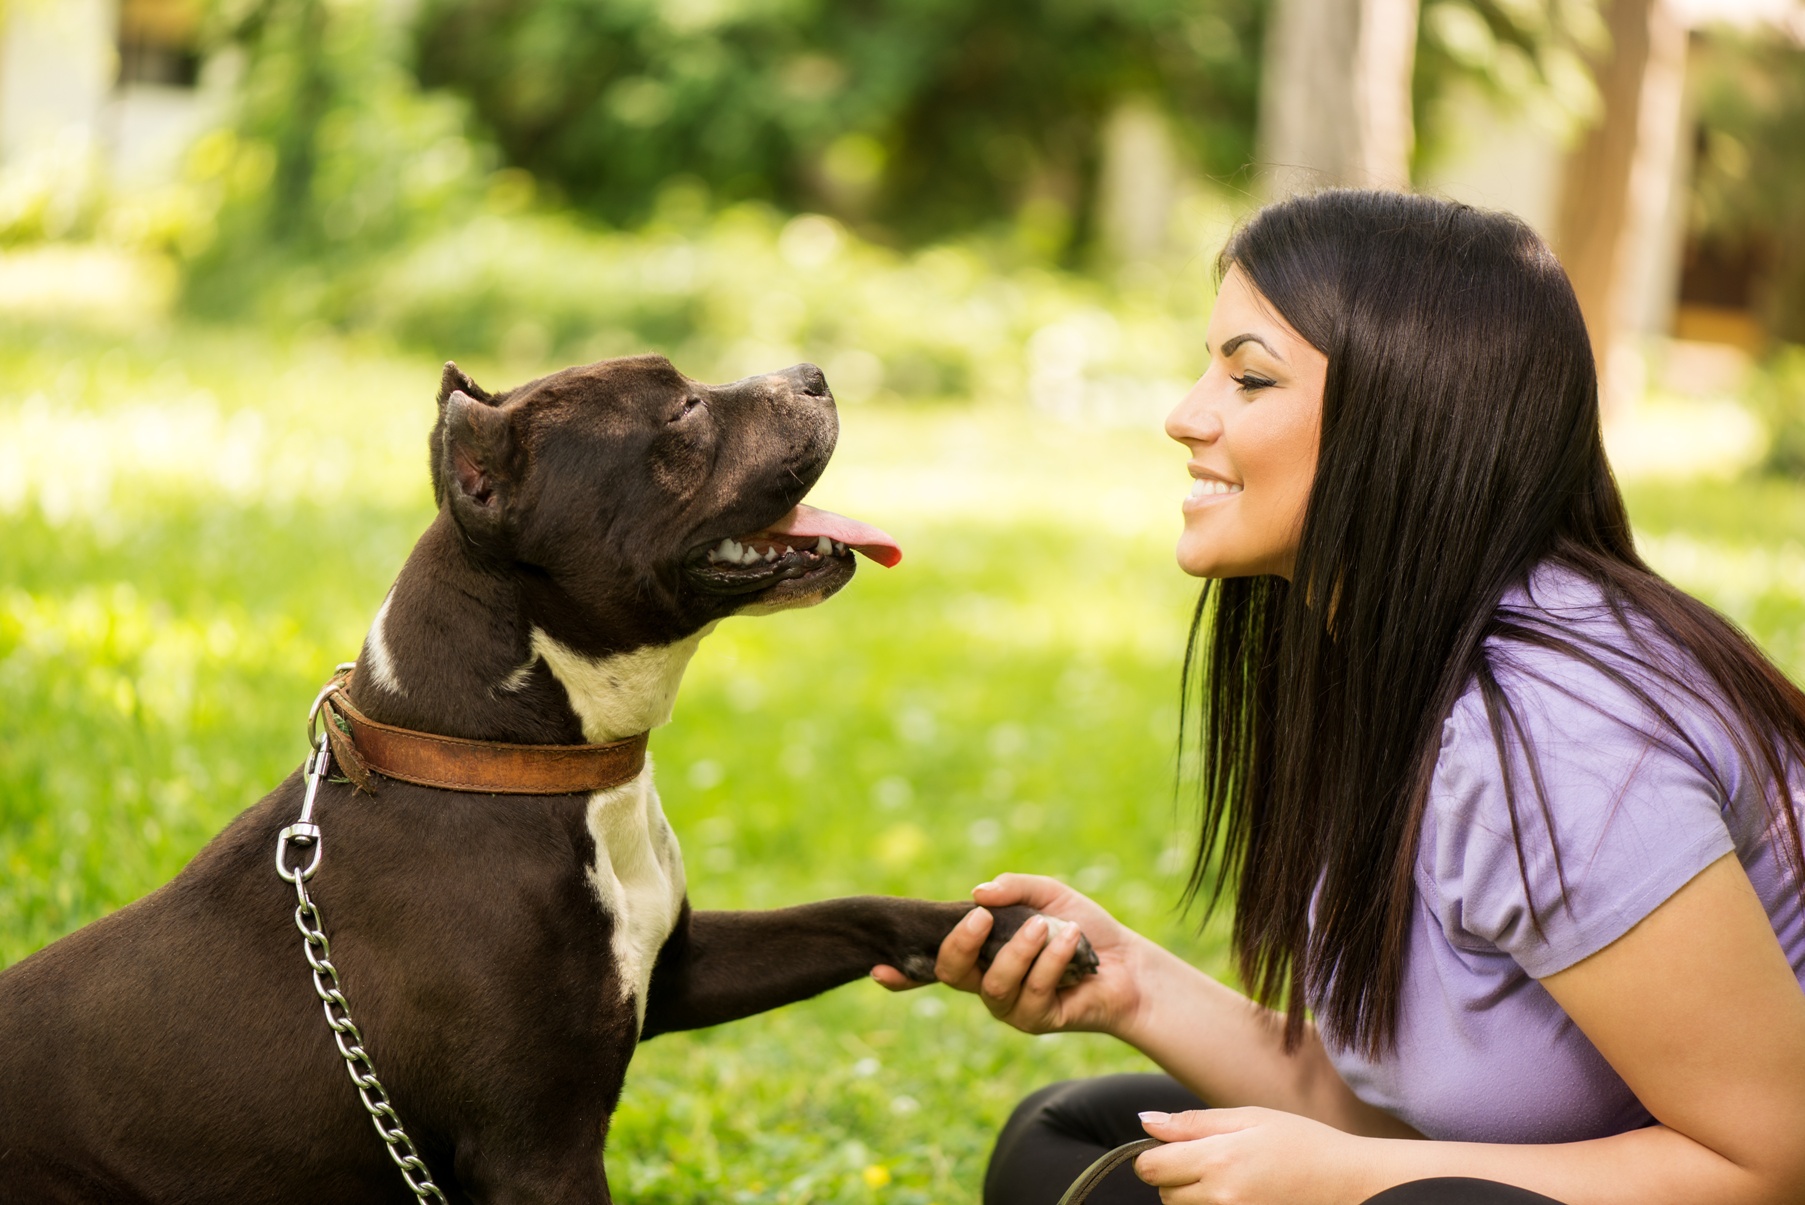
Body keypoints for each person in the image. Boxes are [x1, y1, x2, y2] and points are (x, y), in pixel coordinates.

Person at [871, 191, 1805, 1205]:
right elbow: (1417, 1104)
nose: (1184, 414)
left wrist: (1347, 1178)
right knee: (1070, 1145)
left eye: (1248, 376)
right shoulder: (1385, 662)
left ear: (1405, 414)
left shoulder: (1557, 732)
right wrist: (1132, 984)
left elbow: (1769, 1160)